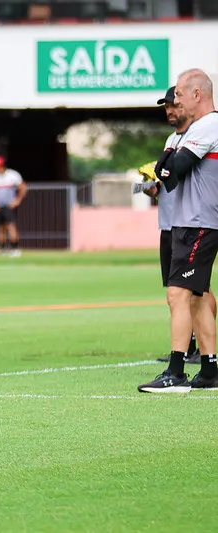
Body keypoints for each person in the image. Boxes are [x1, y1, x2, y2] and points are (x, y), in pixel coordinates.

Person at [138, 69, 218, 393]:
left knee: (178, 294)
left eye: (180, 96)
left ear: (197, 95)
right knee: (196, 298)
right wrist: (168, 162)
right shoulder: (193, 129)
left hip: (199, 221)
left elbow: (170, 172)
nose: (177, 103)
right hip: (190, 221)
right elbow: (163, 169)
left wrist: (169, 161)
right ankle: (211, 370)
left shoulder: (210, 124)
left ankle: (176, 371)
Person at [0, 156, 27, 257]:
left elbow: (23, 187)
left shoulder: (12, 175)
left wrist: (17, 200)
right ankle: (2, 249)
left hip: (9, 206)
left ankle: (14, 248)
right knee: (0, 228)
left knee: (11, 226)